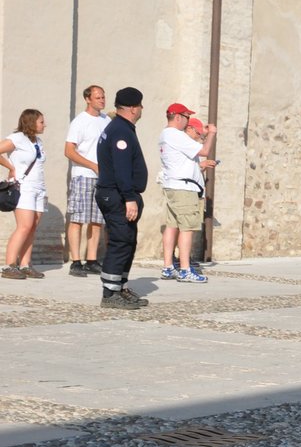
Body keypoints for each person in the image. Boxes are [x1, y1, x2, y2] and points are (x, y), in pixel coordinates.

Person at [94, 88, 150, 308]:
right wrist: (129, 198)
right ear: (134, 108)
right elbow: (122, 168)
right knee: (120, 241)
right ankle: (110, 294)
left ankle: (120, 287)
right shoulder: (121, 131)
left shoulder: (121, 127)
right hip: (117, 195)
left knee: (128, 241)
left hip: (120, 194)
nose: (142, 109)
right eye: (141, 106)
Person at [158, 104, 218, 283]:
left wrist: (203, 135)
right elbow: (205, 151)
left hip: (174, 185)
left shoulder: (165, 134)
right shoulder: (175, 134)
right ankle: (185, 270)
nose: (187, 120)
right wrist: (212, 134)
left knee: (172, 225)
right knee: (187, 228)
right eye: (186, 116)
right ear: (177, 117)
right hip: (184, 188)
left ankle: (168, 266)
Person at [64, 85, 110, 277]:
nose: (102, 100)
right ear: (88, 99)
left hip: (102, 178)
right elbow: (69, 151)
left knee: (97, 221)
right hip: (83, 175)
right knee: (78, 219)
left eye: (103, 97)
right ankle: (76, 261)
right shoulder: (79, 122)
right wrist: (92, 165)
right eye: (98, 97)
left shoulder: (106, 120)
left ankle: (92, 259)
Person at [0, 109, 50, 280]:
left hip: (39, 188)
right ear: (31, 122)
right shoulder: (17, 138)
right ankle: (9, 265)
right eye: (41, 122)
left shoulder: (38, 141)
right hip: (24, 187)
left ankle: (25, 264)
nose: (45, 125)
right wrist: (11, 167)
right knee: (24, 226)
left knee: (33, 227)